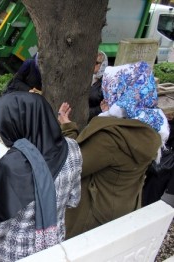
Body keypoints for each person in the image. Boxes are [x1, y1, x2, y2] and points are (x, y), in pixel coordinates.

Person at [58, 61, 170, 239]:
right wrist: (110, 113)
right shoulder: (150, 127)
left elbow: (73, 165)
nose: (107, 95)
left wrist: (68, 127)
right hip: (120, 209)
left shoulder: (112, 136)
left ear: (122, 92)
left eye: (110, 90)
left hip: (91, 216)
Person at [0, 92, 82, 261]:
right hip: (52, 250)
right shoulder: (72, 148)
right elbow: (73, 199)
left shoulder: (11, 167)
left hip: (13, 255)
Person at [88, 51, 108, 122]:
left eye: (96, 63)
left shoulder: (106, 82)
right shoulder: (85, 78)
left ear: (103, 64)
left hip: (96, 120)